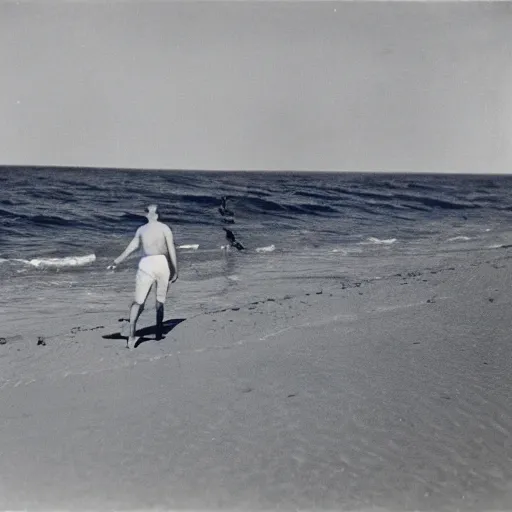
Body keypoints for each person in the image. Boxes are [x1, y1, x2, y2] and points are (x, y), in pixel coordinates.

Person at [108, 205, 178, 348]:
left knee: (138, 302)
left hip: (146, 263)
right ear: (158, 215)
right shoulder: (165, 228)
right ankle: (158, 333)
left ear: (149, 215)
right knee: (160, 301)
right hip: (162, 263)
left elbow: (131, 248)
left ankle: (132, 337)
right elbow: (171, 250)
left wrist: (116, 261)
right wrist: (175, 270)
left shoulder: (141, 229)